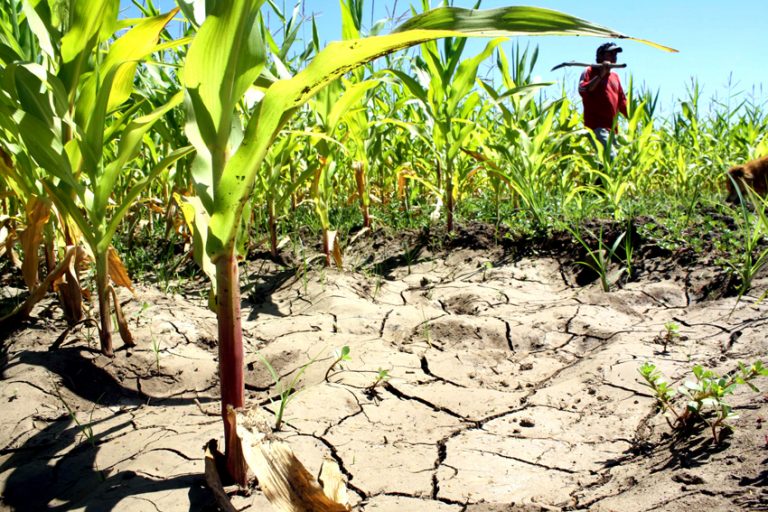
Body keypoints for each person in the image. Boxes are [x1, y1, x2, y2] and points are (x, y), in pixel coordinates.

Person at [578, 42, 628, 160]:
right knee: (611, 157)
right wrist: (601, 75)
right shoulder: (589, 71)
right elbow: (583, 89)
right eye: (610, 53)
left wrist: (634, 117)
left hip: (613, 129)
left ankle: (598, 179)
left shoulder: (615, 77)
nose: (614, 56)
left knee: (615, 161)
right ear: (600, 56)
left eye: (615, 53)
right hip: (597, 126)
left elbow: (622, 101)